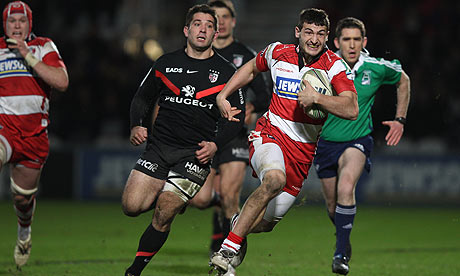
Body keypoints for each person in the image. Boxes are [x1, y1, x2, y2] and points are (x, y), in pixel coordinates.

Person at [209, 8, 359, 274]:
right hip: (269, 135)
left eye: (321, 34)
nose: (314, 39)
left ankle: (236, 223)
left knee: (266, 224)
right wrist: (224, 94)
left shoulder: (335, 66)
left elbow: (351, 108)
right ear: (298, 32)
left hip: (301, 155)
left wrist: (318, 99)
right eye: (309, 32)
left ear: (326, 37)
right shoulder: (278, 52)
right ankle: (227, 250)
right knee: (274, 180)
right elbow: (252, 67)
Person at [121, 4, 245, 276]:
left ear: (216, 34)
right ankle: (186, 195)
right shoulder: (165, 63)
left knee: (164, 212)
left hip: (194, 155)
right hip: (158, 149)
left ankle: (134, 270)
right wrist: (136, 125)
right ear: (186, 30)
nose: (204, 29)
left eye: (209, 25)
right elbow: (142, 98)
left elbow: (238, 115)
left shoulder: (226, 73)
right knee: (131, 206)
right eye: (198, 24)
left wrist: (215, 144)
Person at [313, 17, 410, 275]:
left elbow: (404, 80)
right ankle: (343, 239)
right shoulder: (323, 66)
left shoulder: (375, 67)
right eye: (347, 39)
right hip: (324, 144)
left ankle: (340, 254)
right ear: (336, 42)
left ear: (364, 42)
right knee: (333, 207)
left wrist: (400, 119)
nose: (352, 44)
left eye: (357, 39)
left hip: (357, 139)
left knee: (347, 187)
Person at [189, 0, 270, 256]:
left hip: (234, 133)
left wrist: (252, 108)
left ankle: (229, 251)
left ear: (233, 21)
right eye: (216, 18)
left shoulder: (245, 55)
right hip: (204, 133)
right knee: (200, 199)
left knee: (231, 194)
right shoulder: (198, 53)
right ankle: (219, 208)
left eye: (225, 17)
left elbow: (265, 94)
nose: (221, 22)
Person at [0, 0, 69, 269]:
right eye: (11, 21)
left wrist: (28, 55)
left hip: (34, 137)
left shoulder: (43, 46)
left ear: (30, 24)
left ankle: (24, 233)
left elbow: (62, 82)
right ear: (5, 25)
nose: (16, 25)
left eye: (22, 21)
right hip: (4, 128)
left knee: (22, 198)